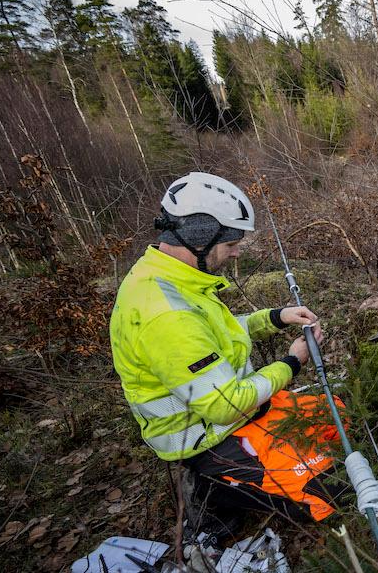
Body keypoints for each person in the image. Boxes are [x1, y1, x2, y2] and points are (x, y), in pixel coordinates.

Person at [110, 172, 348, 547]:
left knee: (338, 414)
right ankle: (211, 490)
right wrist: (293, 362)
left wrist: (273, 317)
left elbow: (213, 333)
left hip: (243, 412)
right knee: (331, 491)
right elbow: (224, 405)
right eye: (232, 243)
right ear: (201, 236)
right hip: (209, 439)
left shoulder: (172, 278)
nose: (237, 252)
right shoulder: (164, 313)